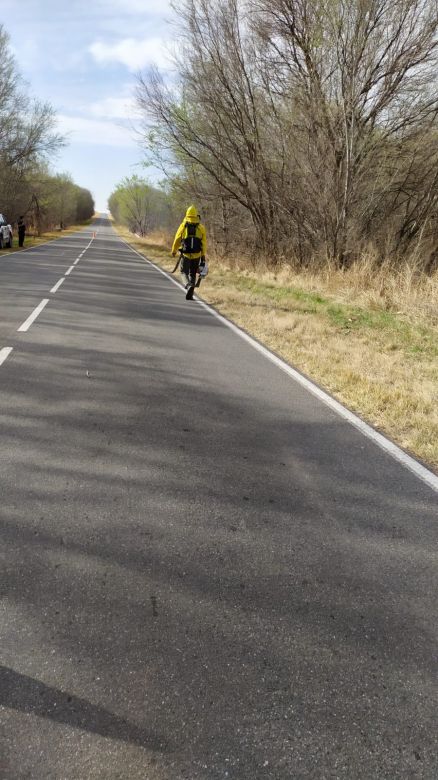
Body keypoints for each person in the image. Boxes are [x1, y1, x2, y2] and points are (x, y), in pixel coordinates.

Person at [172, 205, 207, 300]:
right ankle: (191, 291)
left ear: (187, 215)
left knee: (183, 272)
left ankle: (188, 285)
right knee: (192, 273)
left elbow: (177, 238)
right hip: (197, 255)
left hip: (186, 254)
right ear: (196, 215)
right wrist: (203, 255)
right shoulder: (201, 227)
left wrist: (174, 250)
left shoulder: (183, 226)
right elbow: (204, 243)